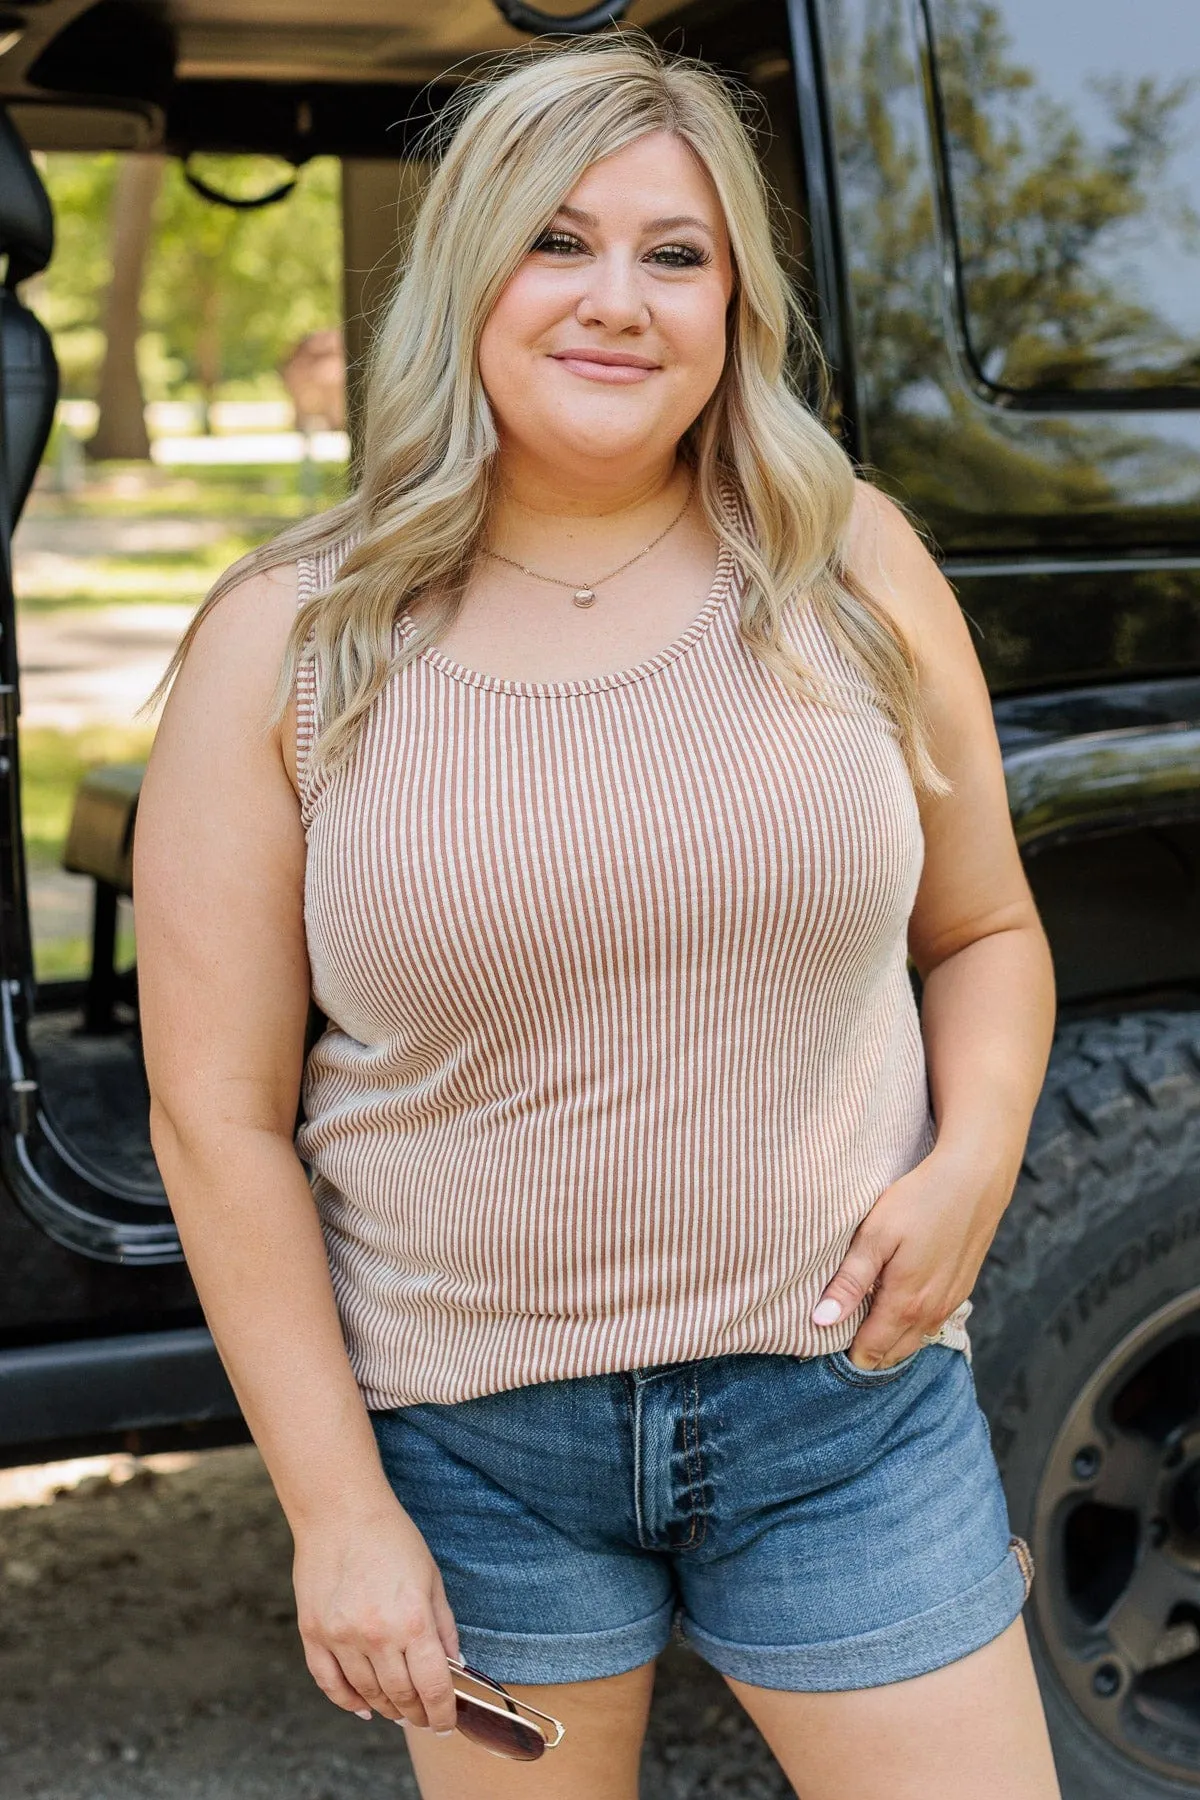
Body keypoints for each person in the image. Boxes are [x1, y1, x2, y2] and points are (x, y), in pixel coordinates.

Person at [134, 31, 1061, 1800]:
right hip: (473, 1450)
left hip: (847, 1412)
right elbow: (218, 1116)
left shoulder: (852, 568)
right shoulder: (288, 636)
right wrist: (338, 1516)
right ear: (470, 276)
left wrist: (978, 1161)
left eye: (675, 252)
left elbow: (989, 937)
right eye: (556, 242)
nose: (614, 298)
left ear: (735, 308)